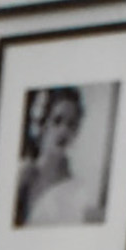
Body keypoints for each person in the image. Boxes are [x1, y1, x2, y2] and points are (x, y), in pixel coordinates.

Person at [14, 85, 107, 227]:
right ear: (43, 124)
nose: (64, 130)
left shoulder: (78, 189)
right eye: (57, 120)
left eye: (71, 124)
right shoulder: (22, 172)